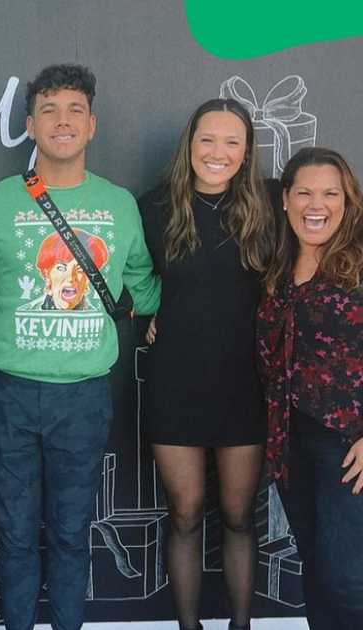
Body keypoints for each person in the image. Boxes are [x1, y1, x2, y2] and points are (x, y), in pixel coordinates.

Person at [0, 63, 160, 630]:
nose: (62, 120)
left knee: (73, 535)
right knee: (15, 536)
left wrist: (165, 316)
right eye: (49, 109)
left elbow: (143, 282)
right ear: (30, 124)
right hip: (8, 394)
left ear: (93, 125)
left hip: (83, 397)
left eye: (74, 109)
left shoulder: (119, 205)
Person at [137, 98, 275, 630]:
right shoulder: (153, 208)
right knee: (186, 513)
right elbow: (133, 278)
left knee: (240, 516)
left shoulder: (269, 203)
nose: (217, 152)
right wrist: (148, 311)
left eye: (231, 142)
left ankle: (242, 625)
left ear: (246, 152)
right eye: (207, 140)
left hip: (245, 384)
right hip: (175, 382)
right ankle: (188, 627)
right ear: (189, 144)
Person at [257, 147, 363, 630]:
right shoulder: (274, 271)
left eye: (329, 193)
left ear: (347, 201)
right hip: (288, 443)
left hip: (347, 443)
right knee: (318, 576)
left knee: (348, 580)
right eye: (303, 192)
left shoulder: (358, 266)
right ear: (285, 199)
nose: (315, 205)